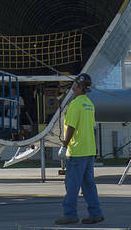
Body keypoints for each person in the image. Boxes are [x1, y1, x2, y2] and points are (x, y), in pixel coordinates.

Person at [56, 73, 104, 225]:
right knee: (89, 184)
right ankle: (95, 213)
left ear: (76, 86)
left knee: (72, 185)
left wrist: (64, 145)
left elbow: (71, 127)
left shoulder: (75, 104)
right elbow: (91, 127)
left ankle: (70, 214)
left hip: (77, 151)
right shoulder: (89, 104)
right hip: (89, 150)